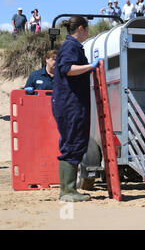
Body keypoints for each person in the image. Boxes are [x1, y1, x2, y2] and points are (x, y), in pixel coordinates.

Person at [52, 16, 100, 202]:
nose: (88, 33)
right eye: (87, 29)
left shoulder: (71, 46)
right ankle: (67, 191)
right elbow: (67, 69)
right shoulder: (71, 46)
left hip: (71, 102)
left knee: (75, 141)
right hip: (70, 103)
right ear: (81, 28)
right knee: (72, 142)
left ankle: (68, 189)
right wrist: (90, 67)